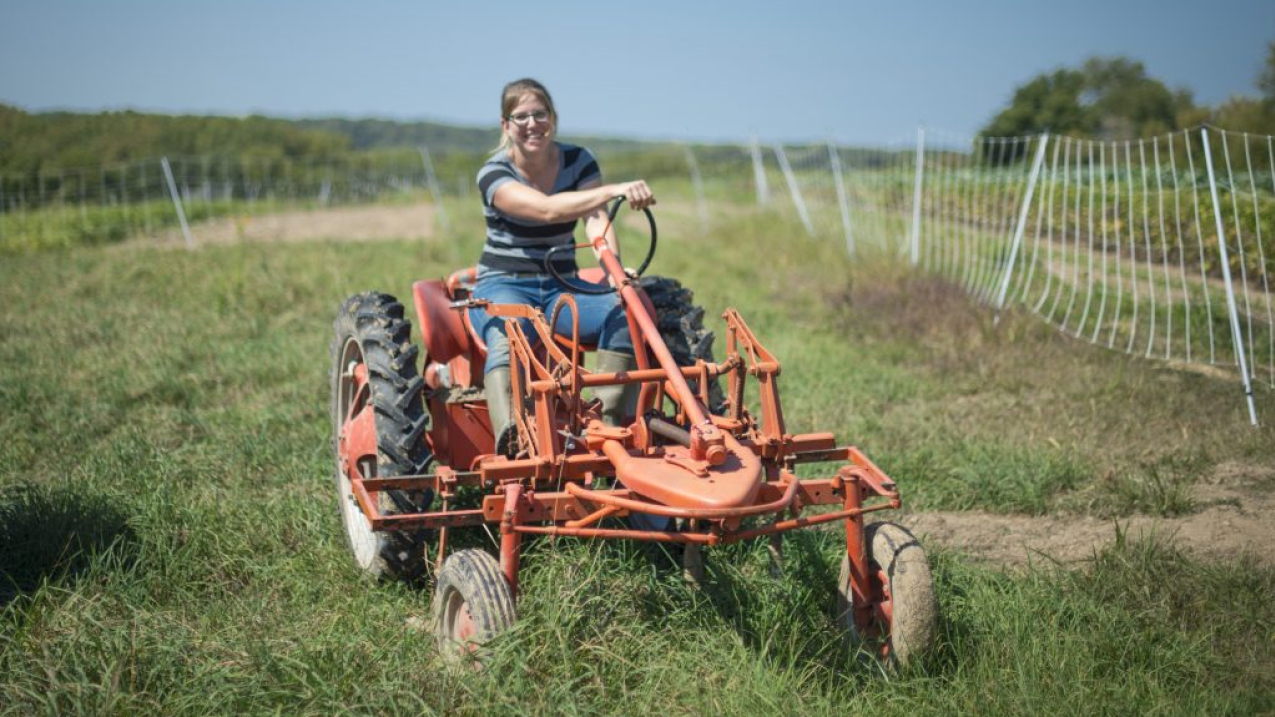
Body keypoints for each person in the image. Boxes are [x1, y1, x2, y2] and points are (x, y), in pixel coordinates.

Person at [470, 78, 656, 444]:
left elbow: (596, 218)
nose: (531, 124)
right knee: (510, 333)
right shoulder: (493, 173)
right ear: (505, 125)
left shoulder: (578, 160)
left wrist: (613, 272)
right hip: (505, 282)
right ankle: (512, 437)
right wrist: (614, 188)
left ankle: (605, 427)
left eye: (539, 113)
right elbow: (545, 210)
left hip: (561, 284)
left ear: (553, 117)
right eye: (519, 116)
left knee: (625, 311)